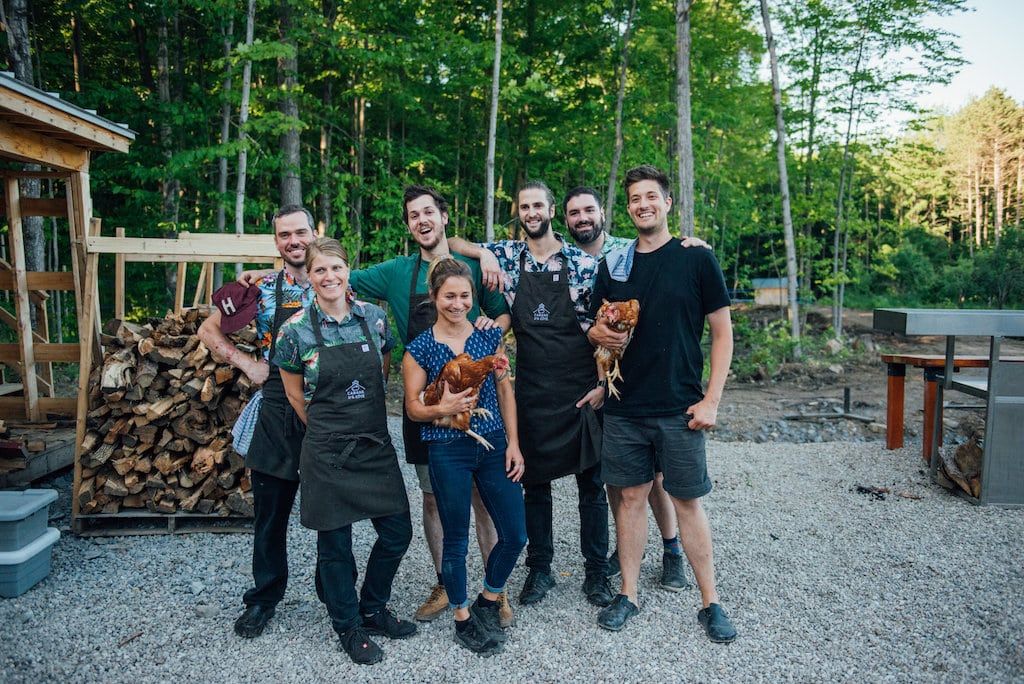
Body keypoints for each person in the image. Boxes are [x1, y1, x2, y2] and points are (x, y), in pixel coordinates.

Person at [239, 185, 513, 626]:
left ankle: (493, 592)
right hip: (406, 410)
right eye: (412, 215)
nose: (421, 220)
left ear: (443, 217)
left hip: (470, 403)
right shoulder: (392, 272)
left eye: (428, 212)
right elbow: (328, 275)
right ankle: (444, 582)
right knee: (428, 497)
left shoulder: (473, 269)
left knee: (480, 498)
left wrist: (484, 270)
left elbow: (502, 315)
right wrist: (258, 277)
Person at [587, 165, 736, 642]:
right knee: (629, 499)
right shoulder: (615, 265)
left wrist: (711, 399)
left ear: (668, 203)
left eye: (651, 196)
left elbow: (722, 333)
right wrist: (599, 333)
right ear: (627, 208)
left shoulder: (697, 259)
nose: (643, 204)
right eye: (634, 199)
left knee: (687, 502)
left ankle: (710, 602)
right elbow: (595, 326)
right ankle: (628, 593)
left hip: (679, 407)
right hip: (625, 406)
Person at [450, 181, 614, 609]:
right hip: (533, 389)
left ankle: (597, 572)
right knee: (533, 485)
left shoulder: (582, 262)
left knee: (591, 487)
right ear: (518, 212)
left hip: (580, 389)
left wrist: (601, 384)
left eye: (538, 205)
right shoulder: (505, 256)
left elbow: (602, 331)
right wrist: (482, 253)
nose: (532, 212)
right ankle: (539, 569)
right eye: (524, 206)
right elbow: (451, 240)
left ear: (551, 209)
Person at [275, 238, 415, 665]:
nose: (329, 277)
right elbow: (296, 398)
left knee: (397, 533)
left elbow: (382, 371)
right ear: (311, 277)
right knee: (335, 546)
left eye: (336, 267)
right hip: (327, 449)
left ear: (348, 269)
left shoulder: (374, 319)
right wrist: (330, 427)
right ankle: (348, 625)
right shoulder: (293, 330)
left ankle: (373, 607)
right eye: (320, 270)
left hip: (373, 443)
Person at [562, 186, 691, 592]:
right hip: (592, 378)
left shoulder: (626, 249)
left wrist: (694, 244)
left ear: (603, 213)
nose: (582, 218)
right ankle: (626, 553)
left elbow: (671, 249)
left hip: (636, 381)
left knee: (654, 478)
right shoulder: (559, 257)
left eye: (588, 210)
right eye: (574, 213)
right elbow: (590, 324)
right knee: (619, 480)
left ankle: (672, 551)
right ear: (564, 220)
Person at [198, 205, 315, 639]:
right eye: (284, 235)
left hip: (324, 410)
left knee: (332, 512)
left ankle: (339, 600)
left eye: (300, 232)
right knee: (270, 514)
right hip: (275, 408)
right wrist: (247, 364)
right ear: (277, 243)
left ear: (314, 232)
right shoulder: (262, 289)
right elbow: (209, 331)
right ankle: (264, 597)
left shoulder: (336, 280)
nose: (293, 241)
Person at [403, 257, 526, 655]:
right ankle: (461, 617)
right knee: (455, 539)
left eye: (465, 296)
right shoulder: (420, 348)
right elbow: (412, 408)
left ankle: (489, 599)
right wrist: (443, 408)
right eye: (449, 296)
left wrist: (514, 443)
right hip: (447, 448)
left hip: (491, 444)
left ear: (474, 298)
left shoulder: (490, 339)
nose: (458, 303)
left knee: (515, 534)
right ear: (435, 297)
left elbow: (506, 391)